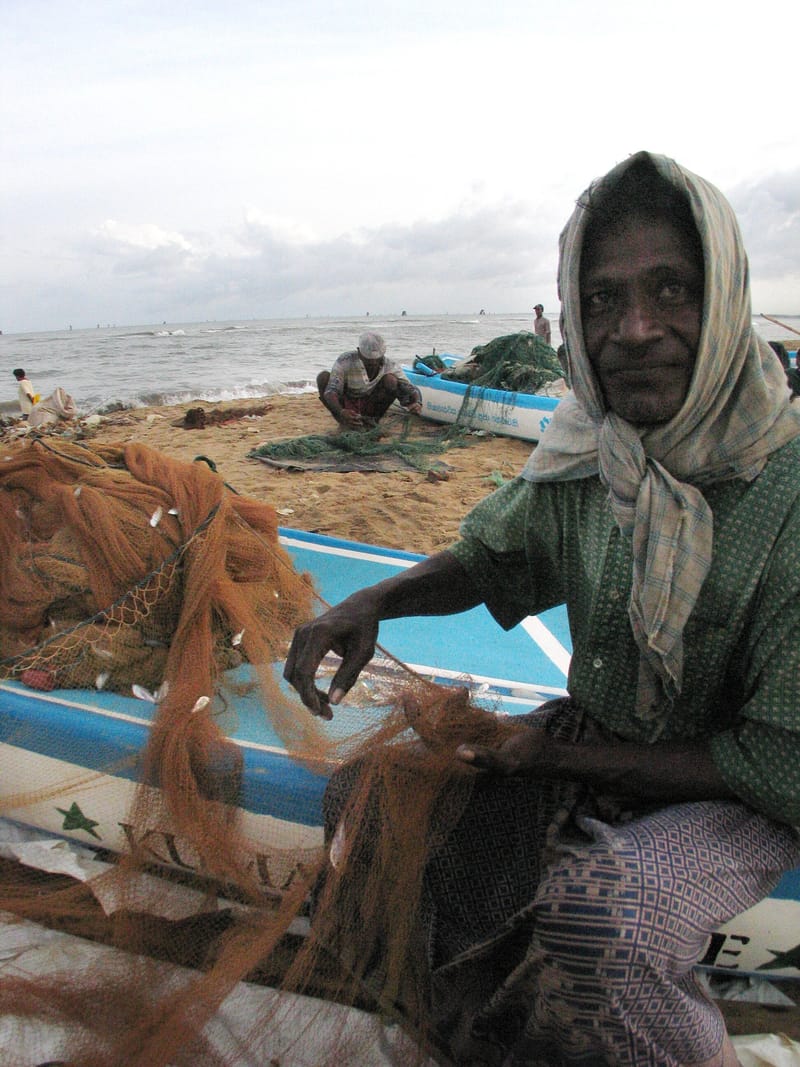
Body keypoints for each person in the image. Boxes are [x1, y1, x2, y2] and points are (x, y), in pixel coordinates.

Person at [285, 152, 800, 1066]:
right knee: (369, 800)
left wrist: (569, 754)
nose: (634, 329)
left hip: (742, 791)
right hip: (597, 734)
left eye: (671, 289)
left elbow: (775, 760)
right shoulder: (593, 450)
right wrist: (372, 601)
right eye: (602, 300)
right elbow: (493, 557)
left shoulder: (788, 488)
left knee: (606, 917)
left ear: (725, 297)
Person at [317, 331, 422, 429]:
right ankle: (345, 422)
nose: (373, 363)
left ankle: (372, 422)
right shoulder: (345, 360)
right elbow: (331, 391)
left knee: (391, 380)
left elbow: (411, 389)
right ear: (359, 352)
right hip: (347, 401)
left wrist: (417, 402)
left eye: (377, 359)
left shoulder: (389, 364)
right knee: (323, 377)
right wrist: (341, 411)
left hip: (371, 403)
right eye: (368, 359)